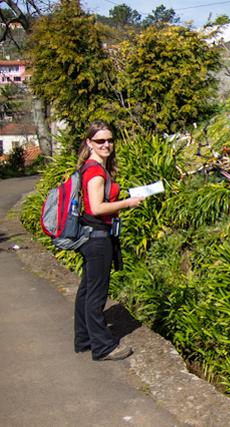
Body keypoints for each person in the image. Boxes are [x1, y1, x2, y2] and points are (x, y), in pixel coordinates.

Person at [74, 120, 144, 361]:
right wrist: (127, 203)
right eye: (100, 140)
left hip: (89, 236)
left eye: (110, 140)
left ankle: (84, 339)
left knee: (86, 290)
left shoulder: (90, 167)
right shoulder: (95, 171)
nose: (107, 144)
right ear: (89, 142)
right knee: (96, 294)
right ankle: (103, 347)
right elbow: (96, 207)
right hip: (98, 238)